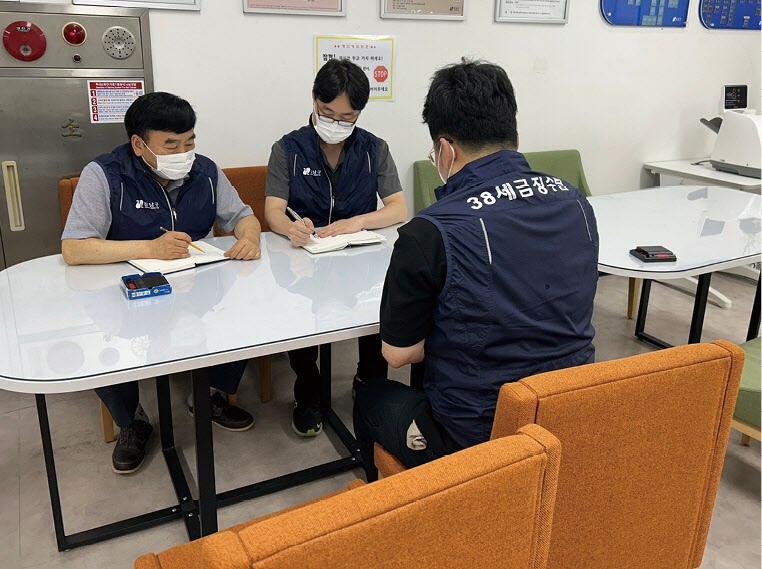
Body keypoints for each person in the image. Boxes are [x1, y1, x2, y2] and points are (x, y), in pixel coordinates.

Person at [353, 59, 599, 481]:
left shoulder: (430, 231)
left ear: (444, 151)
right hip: (566, 413)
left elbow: (399, 354)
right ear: (516, 138)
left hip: (476, 436)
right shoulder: (576, 202)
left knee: (369, 394)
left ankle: (406, 511)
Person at [61, 92, 262, 474]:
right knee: (100, 332)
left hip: (195, 284)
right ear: (139, 144)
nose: (183, 152)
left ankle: (211, 395)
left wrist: (248, 238)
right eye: (170, 144)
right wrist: (150, 248)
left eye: (189, 142)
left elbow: (243, 216)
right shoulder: (104, 174)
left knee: (244, 311)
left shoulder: (205, 170)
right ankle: (132, 421)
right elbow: (74, 249)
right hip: (128, 290)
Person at [264, 59, 407, 437]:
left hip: (360, 255)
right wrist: (292, 228)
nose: (335, 123)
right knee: (299, 316)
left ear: (359, 113)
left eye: (346, 117)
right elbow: (272, 211)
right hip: (305, 255)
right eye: (327, 113)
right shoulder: (288, 148)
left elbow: (398, 207)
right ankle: (308, 389)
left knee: (381, 307)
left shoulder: (374, 148)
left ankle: (369, 383)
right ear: (314, 100)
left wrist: (358, 221)